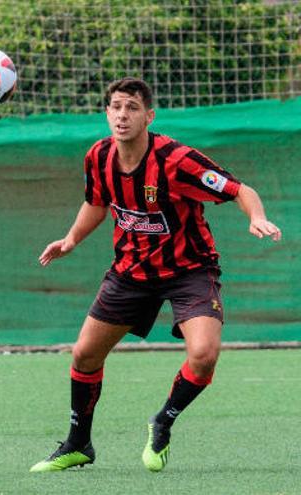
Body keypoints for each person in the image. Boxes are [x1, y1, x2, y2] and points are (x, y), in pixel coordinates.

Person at [29, 77, 281, 473]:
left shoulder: (177, 161)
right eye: (115, 107)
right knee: (85, 354)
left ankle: (163, 420)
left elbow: (238, 190)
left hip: (190, 271)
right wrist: (71, 239)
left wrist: (258, 217)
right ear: (106, 113)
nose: (122, 115)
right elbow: (96, 202)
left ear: (149, 115)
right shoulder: (98, 157)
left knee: (203, 355)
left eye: (131, 107)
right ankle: (79, 443)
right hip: (131, 272)